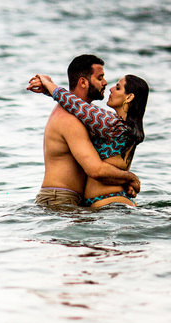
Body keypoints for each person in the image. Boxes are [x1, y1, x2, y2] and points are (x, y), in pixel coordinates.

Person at [28, 54, 140, 211]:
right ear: (82, 82)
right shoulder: (69, 119)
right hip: (60, 199)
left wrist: (121, 181)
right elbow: (96, 170)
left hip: (70, 199)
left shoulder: (85, 117)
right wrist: (130, 178)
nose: (105, 83)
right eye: (100, 78)